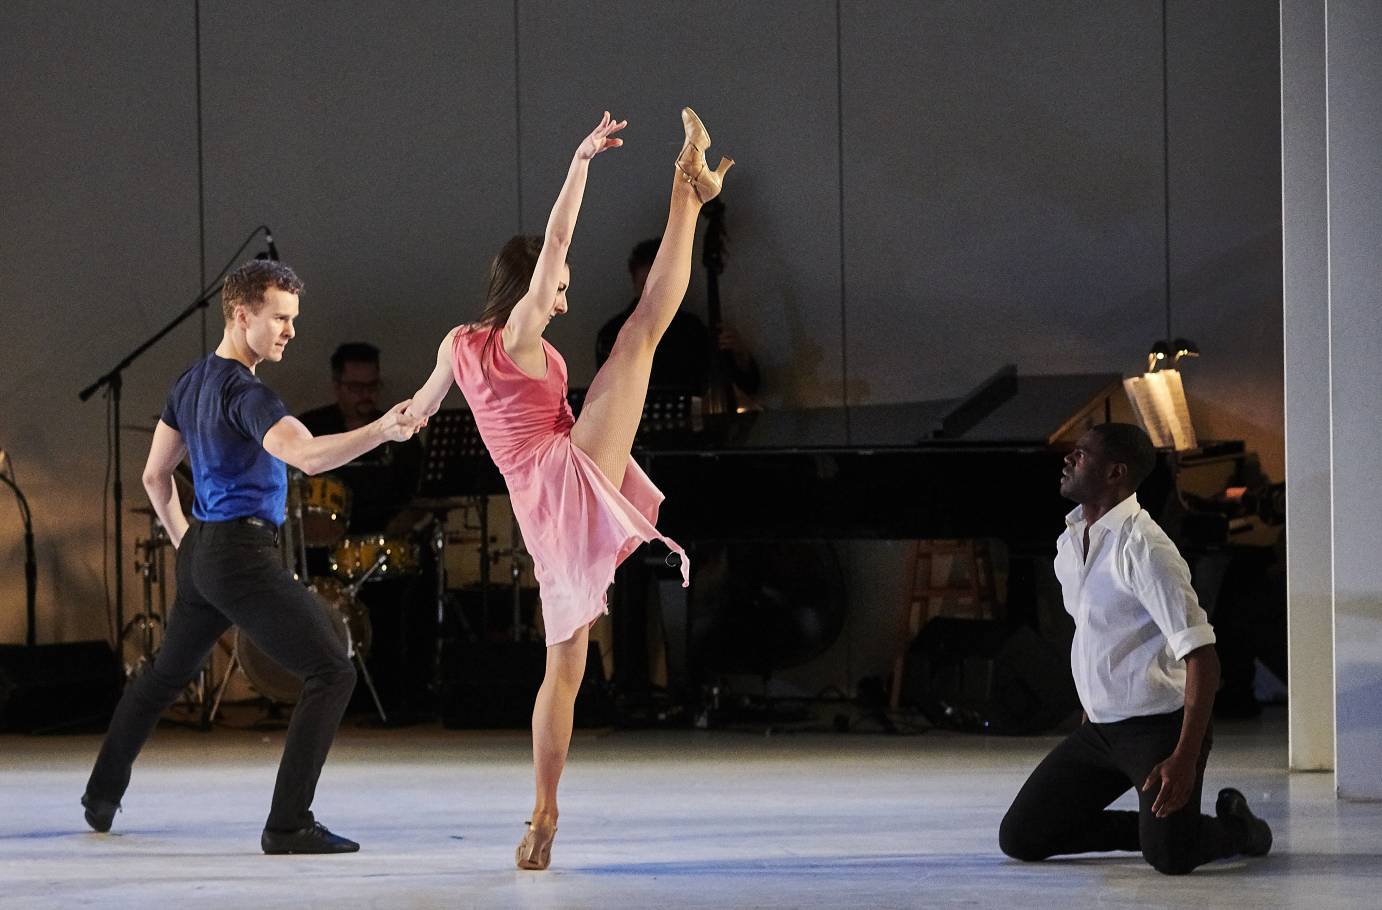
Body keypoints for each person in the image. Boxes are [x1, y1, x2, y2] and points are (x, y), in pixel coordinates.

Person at [404, 108, 732, 869]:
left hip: (540, 511)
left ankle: (543, 812)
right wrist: (579, 162)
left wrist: (391, 426)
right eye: (557, 290)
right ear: (530, 287)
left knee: (566, 668)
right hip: (560, 474)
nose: (562, 302)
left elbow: (417, 411)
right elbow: (555, 242)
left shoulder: (457, 344)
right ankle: (687, 192)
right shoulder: (519, 335)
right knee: (640, 332)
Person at [81, 259, 423, 854]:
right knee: (333, 670)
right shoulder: (248, 393)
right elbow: (308, 457)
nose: (291, 331)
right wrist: (382, 430)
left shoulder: (190, 382)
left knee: (163, 677)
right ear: (242, 315)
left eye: (293, 318)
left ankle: (100, 795)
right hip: (239, 554)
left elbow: (155, 477)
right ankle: (288, 824)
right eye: (280, 318)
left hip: (206, 551)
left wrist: (188, 544)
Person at [998, 423, 1273, 875]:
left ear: (1115, 473)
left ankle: (1240, 831)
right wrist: (1092, 704)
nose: (1068, 459)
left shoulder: (1146, 549)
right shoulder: (1070, 543)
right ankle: (1158, 831)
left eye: (1082, 454)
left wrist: (1184, 758)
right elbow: (1098, 635)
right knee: (1021, 837)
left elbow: (1203, 657)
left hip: (1158, 728)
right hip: (1101, 730)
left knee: (1170, 858)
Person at [595, 237, 759, 396]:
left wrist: (740, 355)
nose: (651, 293)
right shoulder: (612, 334)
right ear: (634, 283)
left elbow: (748, 386)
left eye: (659, 284)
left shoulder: (693, 329)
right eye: (645, 285)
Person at [299, 342, 423, 535]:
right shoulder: (311, 428)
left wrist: (406, 519)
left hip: (387, 541)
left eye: (372, 386)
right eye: (356, 387)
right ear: (337, 387)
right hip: (323, 542)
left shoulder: (400, 431)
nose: (366, 394)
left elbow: (422, 495)